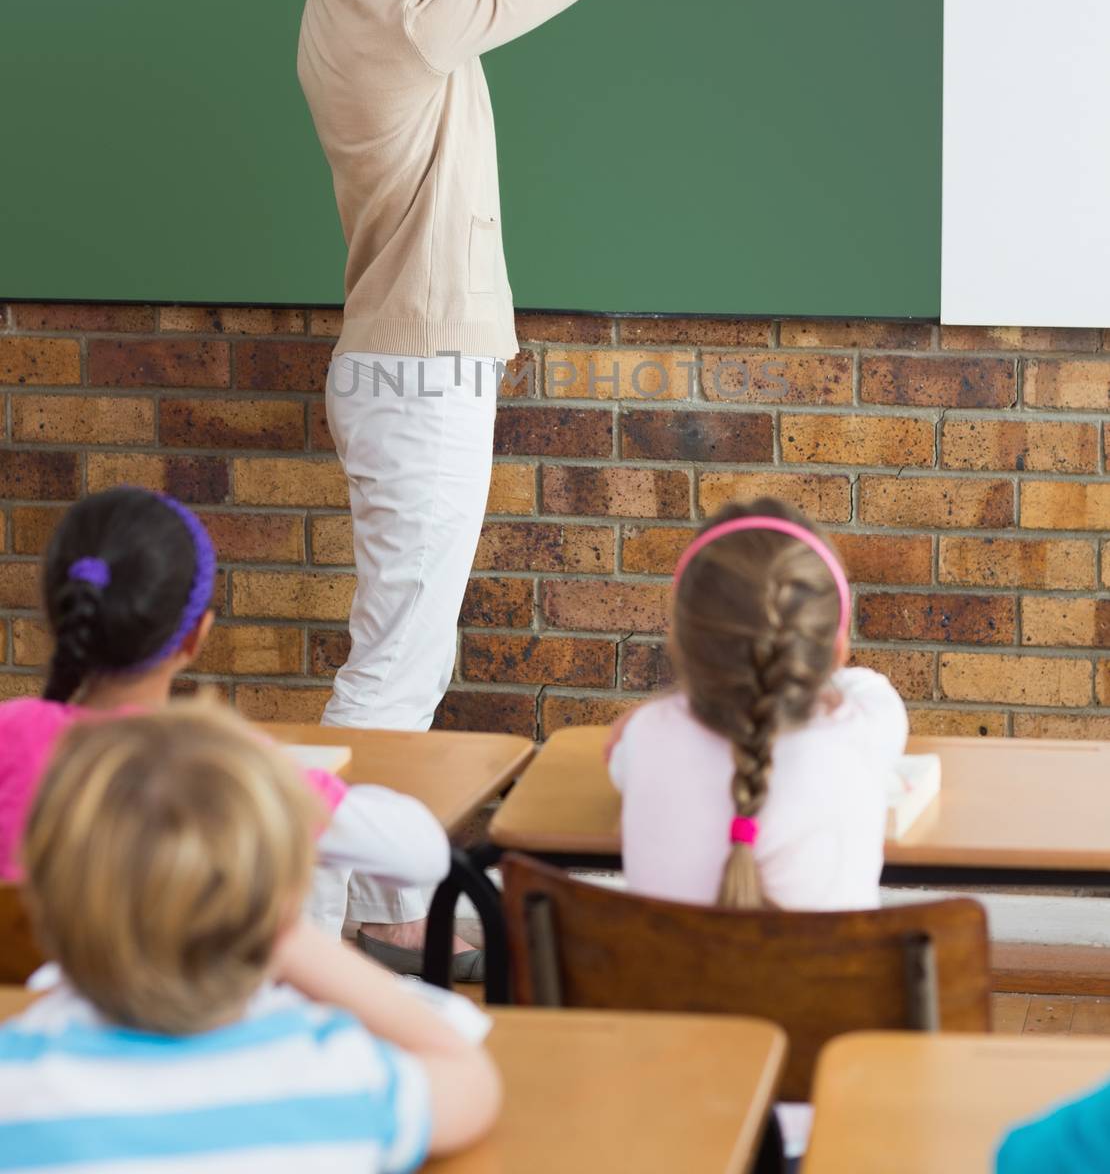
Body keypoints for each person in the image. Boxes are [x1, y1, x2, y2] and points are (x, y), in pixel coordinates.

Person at [286, 0, 637, 968]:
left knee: (407, 654)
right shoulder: (409, 23)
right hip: (417, 377)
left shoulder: (351, 9)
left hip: (407, 368)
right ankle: (309, 925)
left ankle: (373, 910)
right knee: (391, 670)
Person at [0, 700, 500, 1169]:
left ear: (46, 904)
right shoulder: (342, 1082)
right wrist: (287, 936)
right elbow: (467, 1075)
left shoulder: (14, 1085)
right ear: (280, 910)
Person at [0, 486, 449, 941]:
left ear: (56, 613)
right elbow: (422, 851)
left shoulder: (9, 730)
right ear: (196, 635)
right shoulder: (222, 767)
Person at [607, 496, 908, 910]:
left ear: (678, 641)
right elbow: (869, 690)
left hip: (665, 976)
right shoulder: (864, 728)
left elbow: (619, 762)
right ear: (837, 649)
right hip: (826, 977)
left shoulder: (647, 736)